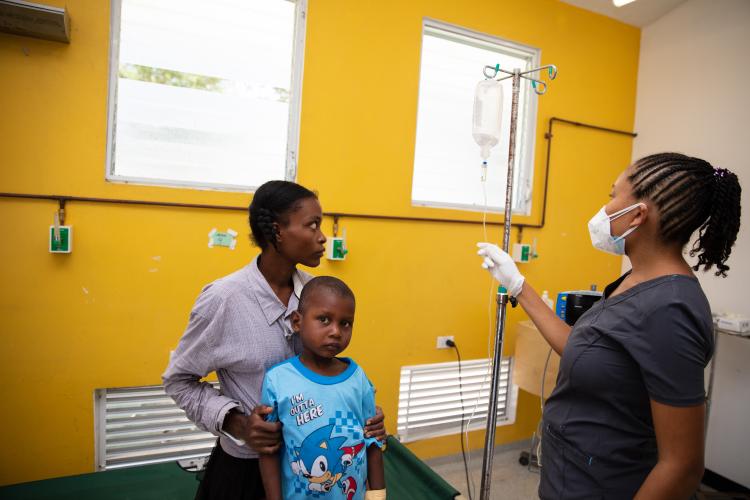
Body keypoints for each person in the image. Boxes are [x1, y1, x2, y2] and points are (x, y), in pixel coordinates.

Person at [477, 152, 741, 499]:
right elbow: (582, 348)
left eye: (613, 195)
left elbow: (682, 467)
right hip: (568, 479)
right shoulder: (634, 281)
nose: (605, 208)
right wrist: (518, 286)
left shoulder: (671, 309)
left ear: (638, 214)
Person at [163, 180, 386, 500]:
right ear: (278, 231)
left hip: (315, 473)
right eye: (312, 225)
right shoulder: (224, 299)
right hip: (246, 472)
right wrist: (236, 422)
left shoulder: (318, 295)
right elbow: (178, 381)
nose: (323, 237)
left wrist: (365, 417)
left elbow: (328, 375)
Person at [258, 276, 386, 500]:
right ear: (297, 322)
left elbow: (373, 441)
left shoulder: (358, 378)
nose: (336, 331)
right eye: (324, 319)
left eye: (345, 323)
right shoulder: (278, 380)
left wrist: (377, 495)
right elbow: (268, 450)